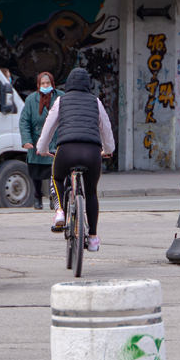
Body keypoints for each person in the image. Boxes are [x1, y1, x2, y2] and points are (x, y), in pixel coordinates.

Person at [37, 68, 115, 252]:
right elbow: (106, 127)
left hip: (67, 150)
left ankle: (59, 212)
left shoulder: (61, 101)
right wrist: (108, 150)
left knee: (56, 177)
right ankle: (94, 237)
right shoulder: (95, 101)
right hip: (92, 153)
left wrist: (42, 149)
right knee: (91, 193)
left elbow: (49, 126)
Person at [19, 72, 63, 209]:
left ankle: (53, 197)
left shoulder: (61, 97)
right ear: (38, 85)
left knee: (54, 172)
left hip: (55, 140)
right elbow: (24, 121)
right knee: (36, 173)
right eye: (43, 84)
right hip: (37, 140)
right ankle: (37, 197)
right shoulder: (31, 100)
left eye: (48, 83)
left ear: (52, 84)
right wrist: (27, 140)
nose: (45, 86)